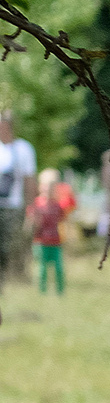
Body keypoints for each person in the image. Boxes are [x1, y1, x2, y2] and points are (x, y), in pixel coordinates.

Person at [0, 110, 34, 282]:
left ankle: (14, 277)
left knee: (12, 244)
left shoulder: (23, 149)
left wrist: (31, 207)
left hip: (13, 205)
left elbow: (29, 180)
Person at [27, 169, 67, 295]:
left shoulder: (57, 206)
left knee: (59, 268)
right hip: (40, 242)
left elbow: (63, 221)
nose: (48, 189)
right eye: (45, 186)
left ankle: (60, 292)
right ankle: (42, 292)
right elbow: (30, 223)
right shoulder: (36, 205)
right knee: (42, 269)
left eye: (52, 187)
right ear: (40, 187)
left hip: (56, 242)